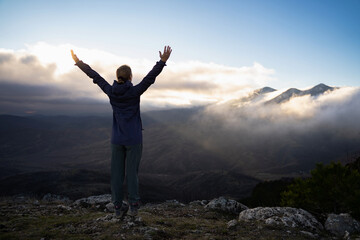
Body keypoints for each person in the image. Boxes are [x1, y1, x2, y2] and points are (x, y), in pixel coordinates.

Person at [71, 46, 172, 218]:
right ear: (130, 77)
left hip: (116, 139)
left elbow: (94, 76)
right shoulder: (134, 91)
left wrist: (79, 63)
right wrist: (162, 61)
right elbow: (150, 77)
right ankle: (133, 207)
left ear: (117, 76)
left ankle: (117, 208)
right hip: (134, 139)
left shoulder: (110, 91)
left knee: (116, 175)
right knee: (132, 174)